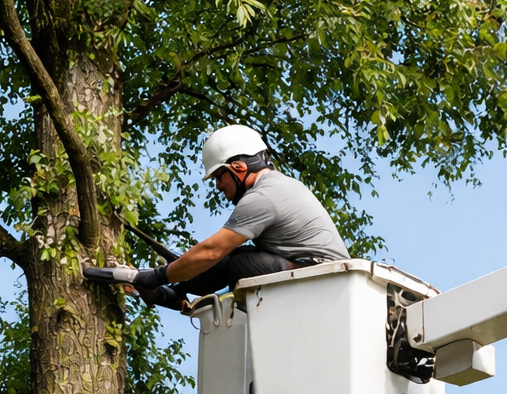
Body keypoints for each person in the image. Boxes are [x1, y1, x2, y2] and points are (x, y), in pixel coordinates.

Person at [133, 125, 350, 310]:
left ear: (238, 168)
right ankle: (176, 294)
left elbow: (211, 251)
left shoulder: (263, 197)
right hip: (320, 279)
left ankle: (172, 289)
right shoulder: (277, 185)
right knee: (233, 260)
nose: (218, 187)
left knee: (239, 264)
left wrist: (156, 276)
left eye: (219, 177)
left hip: (324, 283)